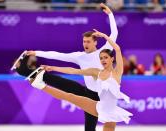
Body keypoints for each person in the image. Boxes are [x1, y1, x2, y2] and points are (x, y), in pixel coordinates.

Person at [12, 3, 118, 131]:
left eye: (88, 41)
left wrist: (110, 14)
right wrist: (36, 53)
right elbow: (57, 55)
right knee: (58, 81)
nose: (85, 44)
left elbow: (114, 33)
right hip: (86, 93)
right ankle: (24, 70)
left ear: (95, 42)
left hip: (102, 96)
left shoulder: (104, 51)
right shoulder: (79, 56)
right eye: (84, 41)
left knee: (91, 128)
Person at [29, 29, 132, 131]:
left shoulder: (117, 72)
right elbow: (73, 71)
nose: (103, 60)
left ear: (112, 59)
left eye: (105, 57)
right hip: (97, 106)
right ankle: (40, 85)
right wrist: (53, 68)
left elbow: (117, 49)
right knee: (69, 96)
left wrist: (104, 35)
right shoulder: (96, 72)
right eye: (101, 58)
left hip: (111, 111)